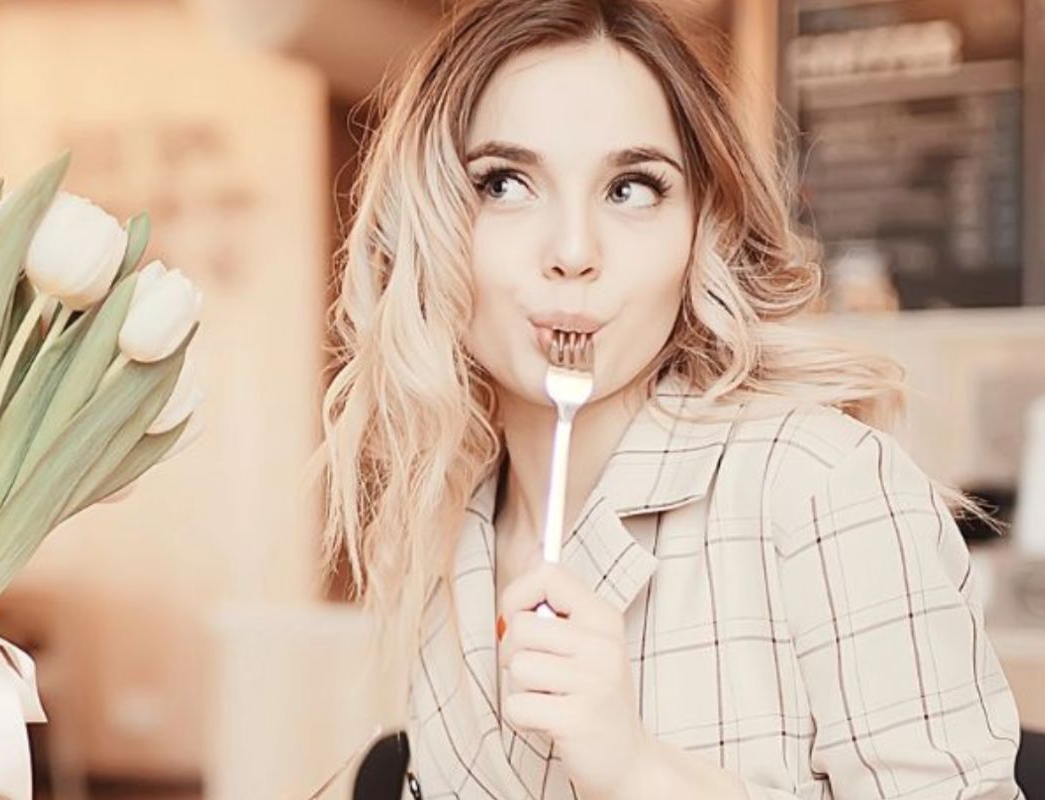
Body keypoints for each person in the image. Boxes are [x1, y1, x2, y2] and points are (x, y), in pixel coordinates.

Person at [315, 1, 1024, 797]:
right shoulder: (445, 527)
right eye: (506, 184)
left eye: (632, 188)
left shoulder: (824, 486)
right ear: (430, 217)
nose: (574, 252)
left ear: (699, 228)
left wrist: (634, 767)